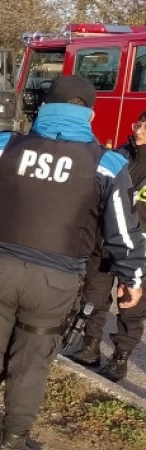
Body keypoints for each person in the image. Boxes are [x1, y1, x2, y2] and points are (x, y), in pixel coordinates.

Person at [0, 75, 146, 450]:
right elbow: (123, 233)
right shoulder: (107, 163)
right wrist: (133, 278)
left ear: (45, 105)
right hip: (55, 281)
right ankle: (12, 444)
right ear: (89, 113)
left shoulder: (6, 144)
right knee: (32, 361)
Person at [67, 110, 146, 382]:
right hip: (102, 244)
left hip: (138, 251)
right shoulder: (120, 156)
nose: (139, 131)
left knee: (130, 307)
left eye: (145, 128)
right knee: (93, 298)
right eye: (138, 125)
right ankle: (89, 346)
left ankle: (120, 357)